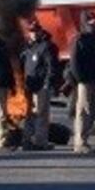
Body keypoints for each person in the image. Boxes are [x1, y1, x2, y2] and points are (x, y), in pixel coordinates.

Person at [68, 14, 95, 154]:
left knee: (92, 111)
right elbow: (74, 62)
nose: (94, 25)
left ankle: (85, 140)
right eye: (91, 23)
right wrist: (80, 79)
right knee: (83, 111)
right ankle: (80, 143)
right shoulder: (79, 39)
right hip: (85, 81)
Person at [21, 21, 58, 151]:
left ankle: (40, 142)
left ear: (40, 31)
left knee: (42, 114)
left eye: (36, 31)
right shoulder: (28, 47)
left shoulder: (45, 47)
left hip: (41, 86)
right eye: (31, 31)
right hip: (29, 86)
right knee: (28, 114)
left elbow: (51, 67)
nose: (34, 34)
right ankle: (26, 140)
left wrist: (47, 83)